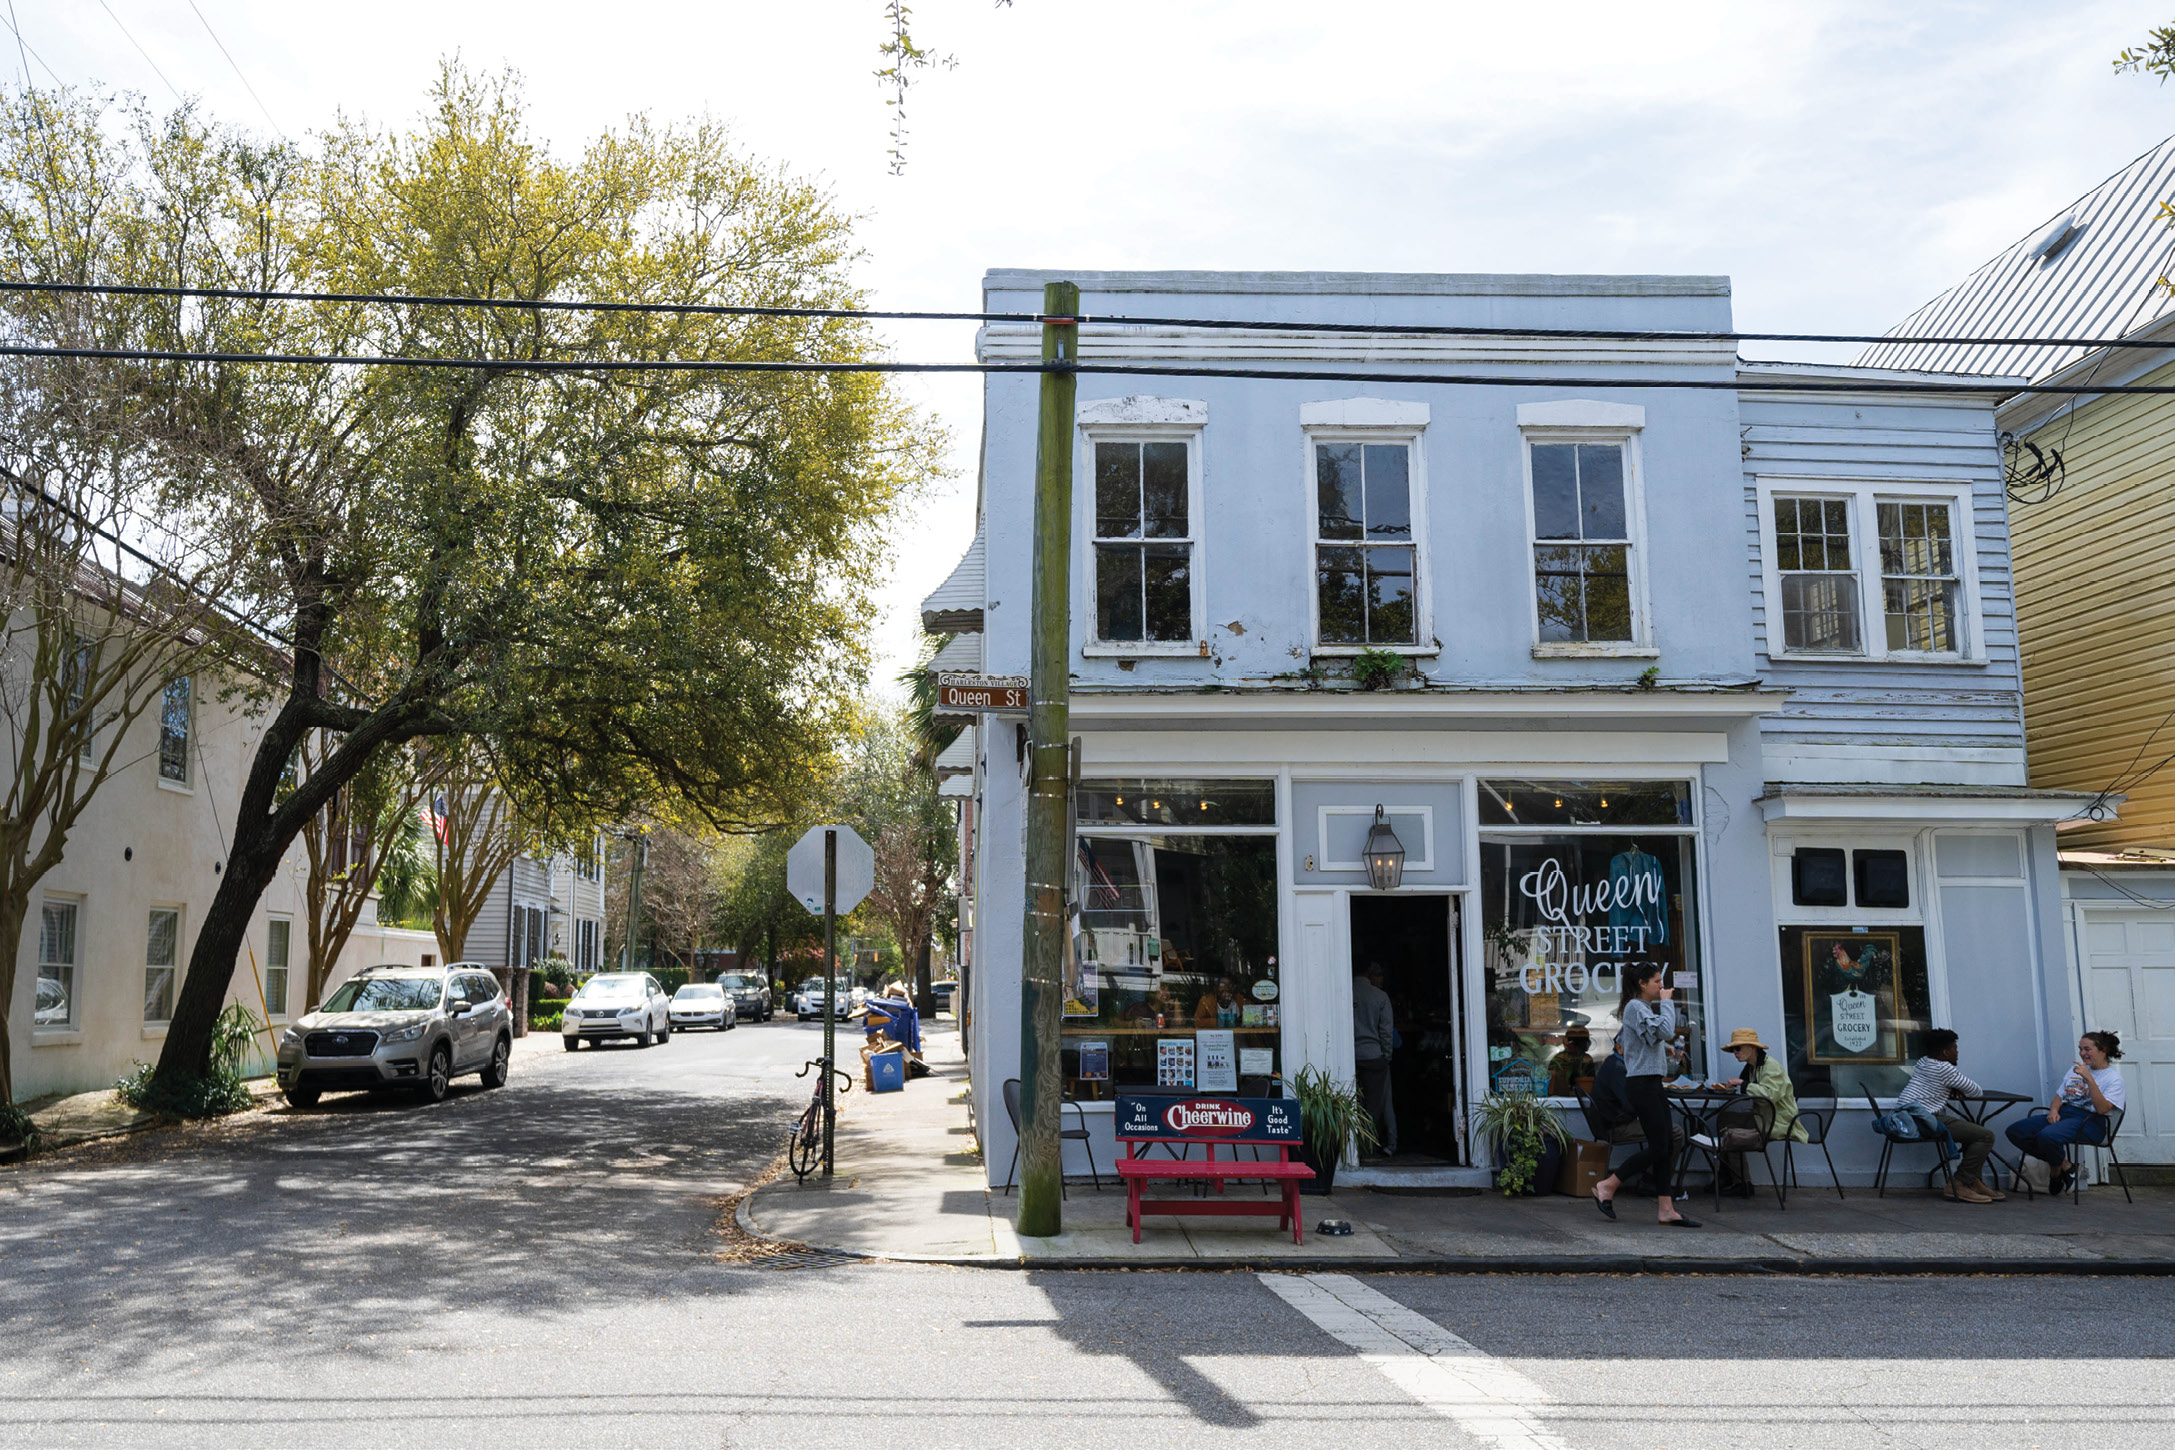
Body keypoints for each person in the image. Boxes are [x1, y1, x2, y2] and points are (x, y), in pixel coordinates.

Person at [1591, 964, 1699, 1227]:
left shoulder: (1639, 1009)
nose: (1661, 986)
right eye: (1657, 981)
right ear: (1642, 983)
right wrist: (1667, 1004)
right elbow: (1662, 1030)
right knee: (1661, 1146)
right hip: (1642, 1085)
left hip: (1651, 1083)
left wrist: (1668, 1049)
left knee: (1665, 1146)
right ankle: (1608, 1185)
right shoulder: (1635, 1007)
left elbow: (1648, 1040)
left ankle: (1666, 1209)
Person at [2007, 1031, 2126, 1196]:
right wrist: (2054, 1110)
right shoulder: (2074, 1070)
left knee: (2047, 1136)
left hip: (2091, 1122)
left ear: (2103, 1049)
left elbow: (2102, 1109)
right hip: (2065, 1115)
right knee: (2016, 1131)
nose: (2082, 1053)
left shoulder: (2113, 1079)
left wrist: (2089, 1079)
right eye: (2080, 1049)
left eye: (2087, 1049)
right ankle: (2066, 1166)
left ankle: (2055, 1172)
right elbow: (2059, 1096)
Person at [1896, 1028, 2000, 1203]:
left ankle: (1973, 1182)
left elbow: (1939, 1083)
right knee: (1985, 1136)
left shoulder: (1923, 1062)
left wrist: (1952, 1086)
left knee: (1971, 1134)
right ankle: (1959, 1184)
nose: (1957, 1052)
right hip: (1922, 1120)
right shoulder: (1944, 1069)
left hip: (1905, 1118)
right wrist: (1955, 1086)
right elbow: (1976, 1091)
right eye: (1955, 1048)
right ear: (1945, 1052)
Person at [1708, 1027, 1807, 1195]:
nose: (1735, 1052)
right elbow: (1747, 1087)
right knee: (1724, 1120)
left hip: (1779, 1121)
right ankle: (1727, 1175)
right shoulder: (1752, 1066)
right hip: (1762, 1117)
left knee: (1732, 1131)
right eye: (1733, 1049)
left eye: (1738, 1048)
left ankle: (1742, 1183)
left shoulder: (1770, 1067)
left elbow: (1770, 1095)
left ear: (1752, 1047)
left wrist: (1742, 1084)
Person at [1591, 1039, 1686, 1171]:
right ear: (1620, 1048)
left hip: (1612, 1122)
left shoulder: (1614, 1063)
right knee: (1674, 1132)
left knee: (1663, 1128)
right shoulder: (1618, 1068)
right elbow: (1631, 1104)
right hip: (1615, 1126)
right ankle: (1652, 1181)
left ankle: (1652, 1179)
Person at [1352, 962, 1396, 1158]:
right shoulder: (1380, 996)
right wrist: (1386, 1057)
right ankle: (1373, 1147)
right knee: (1377, 1105)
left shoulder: (1345, 991)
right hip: (1373, 1056)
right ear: (1371, 973)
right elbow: (1387, 1032)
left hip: (1351, 1056)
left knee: (1354, 1104)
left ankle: (1354, 1148)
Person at [1549, 1026, 1596, 1096]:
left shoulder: (1586, 1059)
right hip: (1562, 1097)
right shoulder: (1559, 1059)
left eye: (1581, 1040)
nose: (1577, 1044)